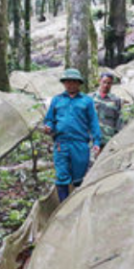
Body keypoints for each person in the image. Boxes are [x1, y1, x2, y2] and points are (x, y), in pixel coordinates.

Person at [43, 69, 102, 202]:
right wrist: (49, 127)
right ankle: (63, 206)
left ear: (79, 83)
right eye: (67, 82)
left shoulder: (86, 101)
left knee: (79, 177)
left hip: (80, 143)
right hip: (61, 143)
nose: (70, 85)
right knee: (62, 176)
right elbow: (49, 119)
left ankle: (77, 204)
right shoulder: (57, 100)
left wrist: (97, 142)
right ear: (64, 83)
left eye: (73, 82)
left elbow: (93, 123)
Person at [91, 72, 123, 149]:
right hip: (92, 140)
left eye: (109, 83)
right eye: (104, 82)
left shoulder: (116, 100)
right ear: (99, 81)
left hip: (108, 141)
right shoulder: (90, 99)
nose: (106, 85)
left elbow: (119, 121)